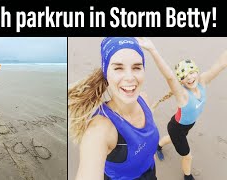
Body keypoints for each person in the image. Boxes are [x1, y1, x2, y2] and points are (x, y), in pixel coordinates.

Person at [68, 37, 159, 180]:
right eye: (118, 68)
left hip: (150, 172)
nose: (129, 77)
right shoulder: (100, 130)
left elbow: (147, 139)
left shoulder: (144, 100)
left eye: (136, 67)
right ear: (106, 73)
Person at [137, 37, 227, 180]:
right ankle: (187, 176)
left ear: (197, 72)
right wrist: (153, 50)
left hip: (186, 126)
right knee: (187, 156)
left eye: (191, 72)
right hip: (177, 128)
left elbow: (221, 64)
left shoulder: (202, 81)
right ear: (181, 81)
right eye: (184, 76)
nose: (190, 78)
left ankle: (158, 145)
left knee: (173, 139)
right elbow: (170, 77)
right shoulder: (183, 95)